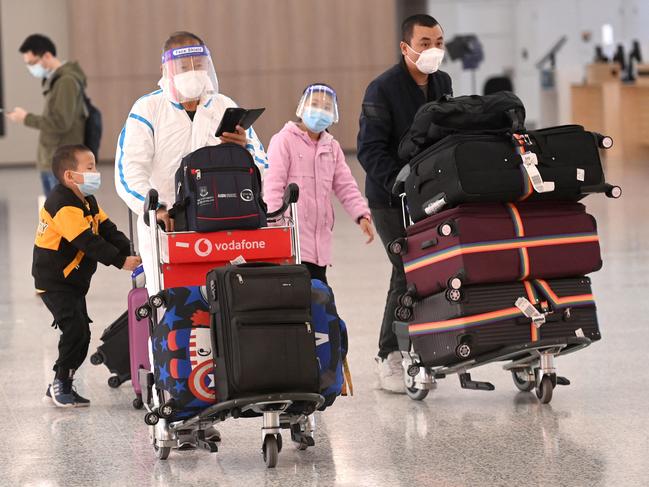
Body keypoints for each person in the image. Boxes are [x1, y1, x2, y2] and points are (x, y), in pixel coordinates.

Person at [115, 31, 268, 290]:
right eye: (184, 67)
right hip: (167, 226)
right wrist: (155, 209)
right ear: (166, 69)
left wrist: (244, 149)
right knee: (170, 304)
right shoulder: (148, 109)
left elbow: (262, 163)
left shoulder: (223, 105)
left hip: (222, 224)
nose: (193, 71)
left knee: (225, 300)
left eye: (199, 64)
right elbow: (128, 172)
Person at [357, 14, 453, 393]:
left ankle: (427, 343)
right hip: (389, 198)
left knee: (434, 269)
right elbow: (368, 149)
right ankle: (388, 355)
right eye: (425, 43)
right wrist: (400, 183)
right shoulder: (381, 90)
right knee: (406, 270)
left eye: (439, 43)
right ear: (405, 47)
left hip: (432, 193)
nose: (433, 50)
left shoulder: (442, 82)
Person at [33, 144, 141, 407]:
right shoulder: (62, 204)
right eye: (90, 167)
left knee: (82, 334)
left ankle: (63, 382)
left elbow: (107, 230)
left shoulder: (86, 199)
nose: (96, 171)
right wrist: (120, 261)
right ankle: (60, 382)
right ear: (70, 175)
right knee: (75, 330)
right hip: (55, 281)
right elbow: (88, 242)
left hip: (73, 281)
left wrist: (135, 251)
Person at [264, 83, 374, 283]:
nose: (319, 111)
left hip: (319, 246)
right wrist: (274, 227)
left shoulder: (332, 147)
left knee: (318, 298)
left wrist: (361, 215)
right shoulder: (283, 140)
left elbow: (345, 185)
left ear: (333, 114)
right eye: (314, 104)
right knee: (294, 302)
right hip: (290, 241)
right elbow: (272, 187)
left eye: (326, 107)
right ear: (302, 107)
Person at [5, 34, 87, 199]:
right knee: (55, 215)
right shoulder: (57, 80)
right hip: (53, 158)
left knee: (62, 215)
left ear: (47, 56)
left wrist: (26, 118)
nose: (31, 68)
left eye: (32, 63)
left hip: (60, 161)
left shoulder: (66, 81)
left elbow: (61, 123)